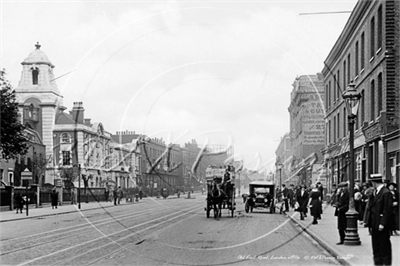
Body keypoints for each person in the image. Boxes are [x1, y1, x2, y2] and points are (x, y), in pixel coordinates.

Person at [367, 174, 394, 266]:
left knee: (384, 245)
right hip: (374, 223)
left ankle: (386, 263)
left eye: (371, 182)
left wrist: (383, 223)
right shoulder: (376, 192)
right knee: (376, 246)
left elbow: (387, 210)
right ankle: (378, 263)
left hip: (381, 225)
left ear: (374, 182)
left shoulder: (386, 193)